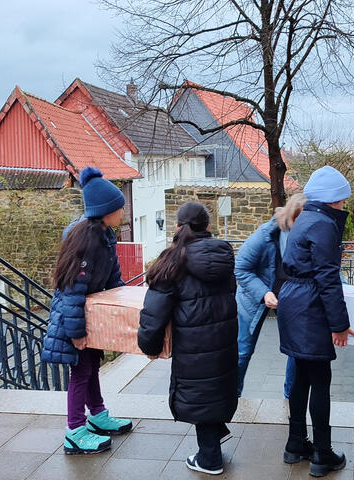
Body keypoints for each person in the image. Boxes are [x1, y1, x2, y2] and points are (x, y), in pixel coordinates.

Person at [138, 202, 238, 476]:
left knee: (200, 393)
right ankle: (215, 440)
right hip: (224, 340)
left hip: (194, 345)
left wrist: (149, 344)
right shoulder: (224, 255)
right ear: (207, 226)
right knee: (214, 389)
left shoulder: (172, 261)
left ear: (178, 227)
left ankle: (209, 459)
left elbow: (154, 311)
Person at [42, 167, 134, 455]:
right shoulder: (86, 240)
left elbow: (113, 280)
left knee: (93, 367)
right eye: (119, 206)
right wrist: (77, 333)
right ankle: (75, 431)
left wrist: (121, 305)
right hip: (76, 317)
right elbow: (71, 291)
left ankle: (97, 414)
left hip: (93, 315)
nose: (123, 210)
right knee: (81, 373)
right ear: (106, 210)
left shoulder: (105, 236)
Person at [276, 166, 354, 478]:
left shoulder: (306, 218)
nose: (343, 205)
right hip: (309, 310)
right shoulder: (323, 224)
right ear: (333, 200)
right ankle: (323, 454)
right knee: (320, 381)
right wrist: (339, 324)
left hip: (294, 304)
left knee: (300, 378)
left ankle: (295, 444)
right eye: (341, 199)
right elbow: (327, 278)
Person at [234, 194, 306, 399]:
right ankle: (232, 397)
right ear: (289, 217)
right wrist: (264, 293)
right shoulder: (266, 234)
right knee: (242, 351)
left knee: (297, 353)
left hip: (293, 299)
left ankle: (291, 400)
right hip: (253, 298)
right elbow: (241, 268)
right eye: (297, 222)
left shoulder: (310, 236)